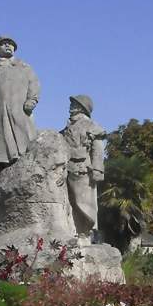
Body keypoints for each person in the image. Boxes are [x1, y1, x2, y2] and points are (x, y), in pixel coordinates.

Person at [0, 36, 40, 175]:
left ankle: (26, 162)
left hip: (20, 110)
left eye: (10, 44)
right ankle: (2, 168)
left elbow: (34, 84)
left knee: (24, 137)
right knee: (1, 142)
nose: (8, 46)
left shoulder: (24, 66)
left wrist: (31, 100)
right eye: (4, 44)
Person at [61, 95, 105, 242]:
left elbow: (97, 150)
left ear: (81, 107)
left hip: (83, 170)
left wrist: (98, 170)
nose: (70, 106)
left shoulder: (91, 125)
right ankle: (74, 231)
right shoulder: (67, 126)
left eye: (74, 103)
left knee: (84, 204)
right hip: (67, 170)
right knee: (70, 203)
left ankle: (86, 233)